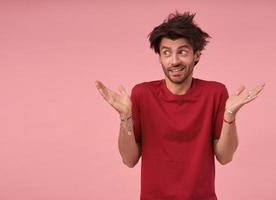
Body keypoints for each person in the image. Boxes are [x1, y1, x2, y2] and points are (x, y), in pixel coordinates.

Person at [95, 11, 264, 200]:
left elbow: (224, 157)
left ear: (196, 55)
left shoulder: (215, 93)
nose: (174, 61)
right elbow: (129, 159)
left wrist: (230, 114)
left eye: (182, 52)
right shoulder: (142, 94)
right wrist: (125, 116)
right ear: (159, 57)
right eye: (166, 52)